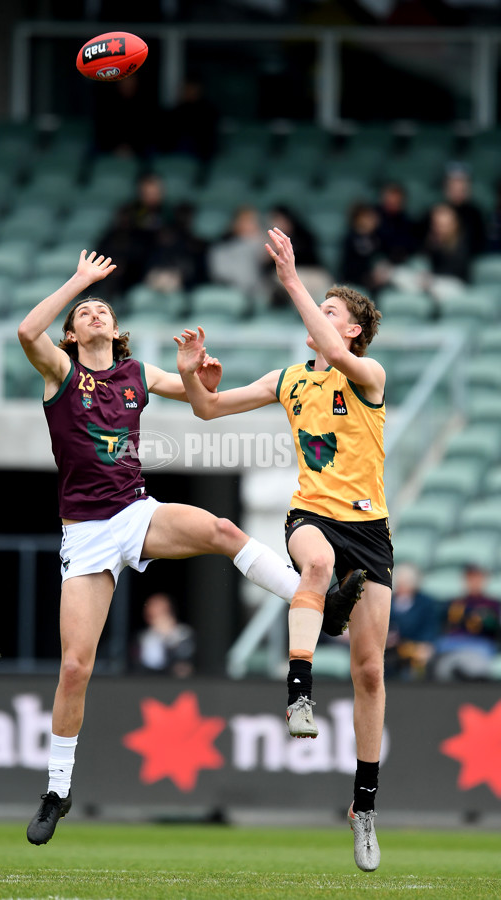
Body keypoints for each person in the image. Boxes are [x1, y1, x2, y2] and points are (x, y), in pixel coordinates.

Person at [18, 249, 358, 846]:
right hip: (87, 533)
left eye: (102, 308)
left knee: (224, 530)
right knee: (76, 668)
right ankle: (56, 790)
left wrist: (199, 372)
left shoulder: (137, 375)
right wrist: (79, 281)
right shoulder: (60, 374)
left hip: (136, 512)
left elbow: (204, 406)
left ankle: (322, 603)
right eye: (84, 312)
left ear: (116, 330)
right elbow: (26, 329)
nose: (95, 312)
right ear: (70, 334)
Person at [175, 226, 393, 872]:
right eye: (317, 306)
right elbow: (208, 411)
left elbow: (328, 342)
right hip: (313, 516)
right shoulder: (290, 379)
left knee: (371, 672)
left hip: (370, 530)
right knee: (316, 564)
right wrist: (191, 377)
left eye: (333, 313)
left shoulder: (369, 376)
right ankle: (299, 691)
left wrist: (294, 278)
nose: (321, 319)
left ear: (352, 333)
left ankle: (365, 807)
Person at [434, 564, 501, 681]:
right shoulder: (455, 602)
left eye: (477, 578)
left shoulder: (492, 604)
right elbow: (445, 624)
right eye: (470, 578)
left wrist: (485, 619)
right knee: (441, 666)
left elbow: (494, 627)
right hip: (454, 644)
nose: (474, 582)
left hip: (480, 645)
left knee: (475, 666)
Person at [386, 563, 439, 680]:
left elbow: (430, 629)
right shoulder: (388, 601)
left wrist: (424, 645)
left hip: (416, 646)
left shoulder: (426, 603)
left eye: (404, 583)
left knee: (420, 661)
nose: (400, 587)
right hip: (392, 649)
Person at [133, 592, 195, 677]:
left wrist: (168, 636)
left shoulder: (183, 633)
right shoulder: (143, 636)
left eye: (157, 608)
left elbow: (184, 664)